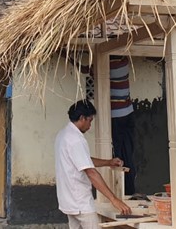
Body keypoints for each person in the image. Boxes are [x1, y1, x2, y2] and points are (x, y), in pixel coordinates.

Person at [55, 100, 131, 229]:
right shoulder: (76, 139)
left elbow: (83, 160)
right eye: (90, 120)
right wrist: (114, 199)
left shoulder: (63, 134)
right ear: (82, 118)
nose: (90, 125)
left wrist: (108, 162)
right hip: (80, 202)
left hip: (68, 200)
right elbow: (91, 172)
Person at [109, 56, 136, 195]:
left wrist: (72, 60)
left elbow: (89, 71)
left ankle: (123, 191)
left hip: (116, 115)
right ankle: (131, 189)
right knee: (128, 152)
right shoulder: (124, 61)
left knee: (118, 155)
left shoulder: (109, 64)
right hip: (129, 113)